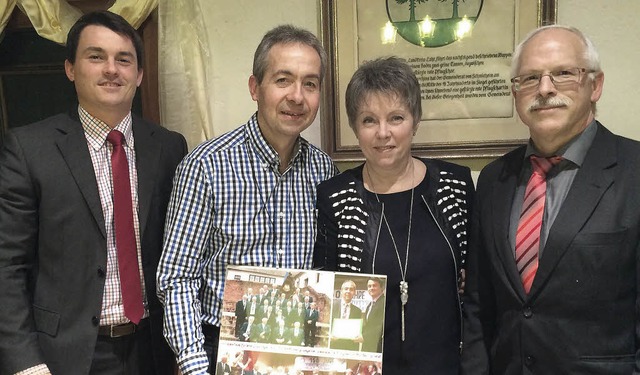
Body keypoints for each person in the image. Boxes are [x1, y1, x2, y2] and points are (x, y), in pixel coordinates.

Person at [0, 10, 187, 375]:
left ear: (140, 74)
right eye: (96, 56)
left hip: (154, 349)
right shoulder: (29, 149)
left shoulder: (168, 147)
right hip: (66, 356)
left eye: (124, 59)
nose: (111, 69)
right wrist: (25, 363)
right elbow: (7, 266)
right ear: (71, 68)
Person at [157, 24, 337, 374]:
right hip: (221, 348)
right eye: (283, 80)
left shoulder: (324, 170)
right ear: (256, 88)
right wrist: (194, 363)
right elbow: (177, 277)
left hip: (299, 347)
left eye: (310, 84)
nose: (297, 96)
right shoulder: (205, 166)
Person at [461, 25, 640, 374]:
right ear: (515, 94)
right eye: (529, 78)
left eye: (563, 73)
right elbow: (478, 305)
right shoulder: (494, 179)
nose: (545, 88)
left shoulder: (634, 171)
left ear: (595, 85)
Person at [313, 57, 473, 373]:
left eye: (396, 117)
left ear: (415, 120)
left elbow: (477, 283)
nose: (383, 133)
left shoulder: (456, 184)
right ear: (355, 128)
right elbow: (328, 301)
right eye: (369, 120)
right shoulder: (335, 197)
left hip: (447, 365)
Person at [329, 279, 363, 351]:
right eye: (346, 289)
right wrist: (329, 335)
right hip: (333, 345)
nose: (348, 291)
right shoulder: (332, 306)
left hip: (350, 347)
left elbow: (358, 330)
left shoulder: (358, 311)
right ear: (341, 291)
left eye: (351, 289)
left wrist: (359, 336)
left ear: (354, 293)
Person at [361, 278, 385, 353]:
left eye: (374, 286)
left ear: (381, 288)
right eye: (369, 286)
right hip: (367, 347)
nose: (371, 288)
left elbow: (380, 326)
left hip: (377, 347)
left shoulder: (384, 303)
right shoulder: (369, 305)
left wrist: (364, 336)